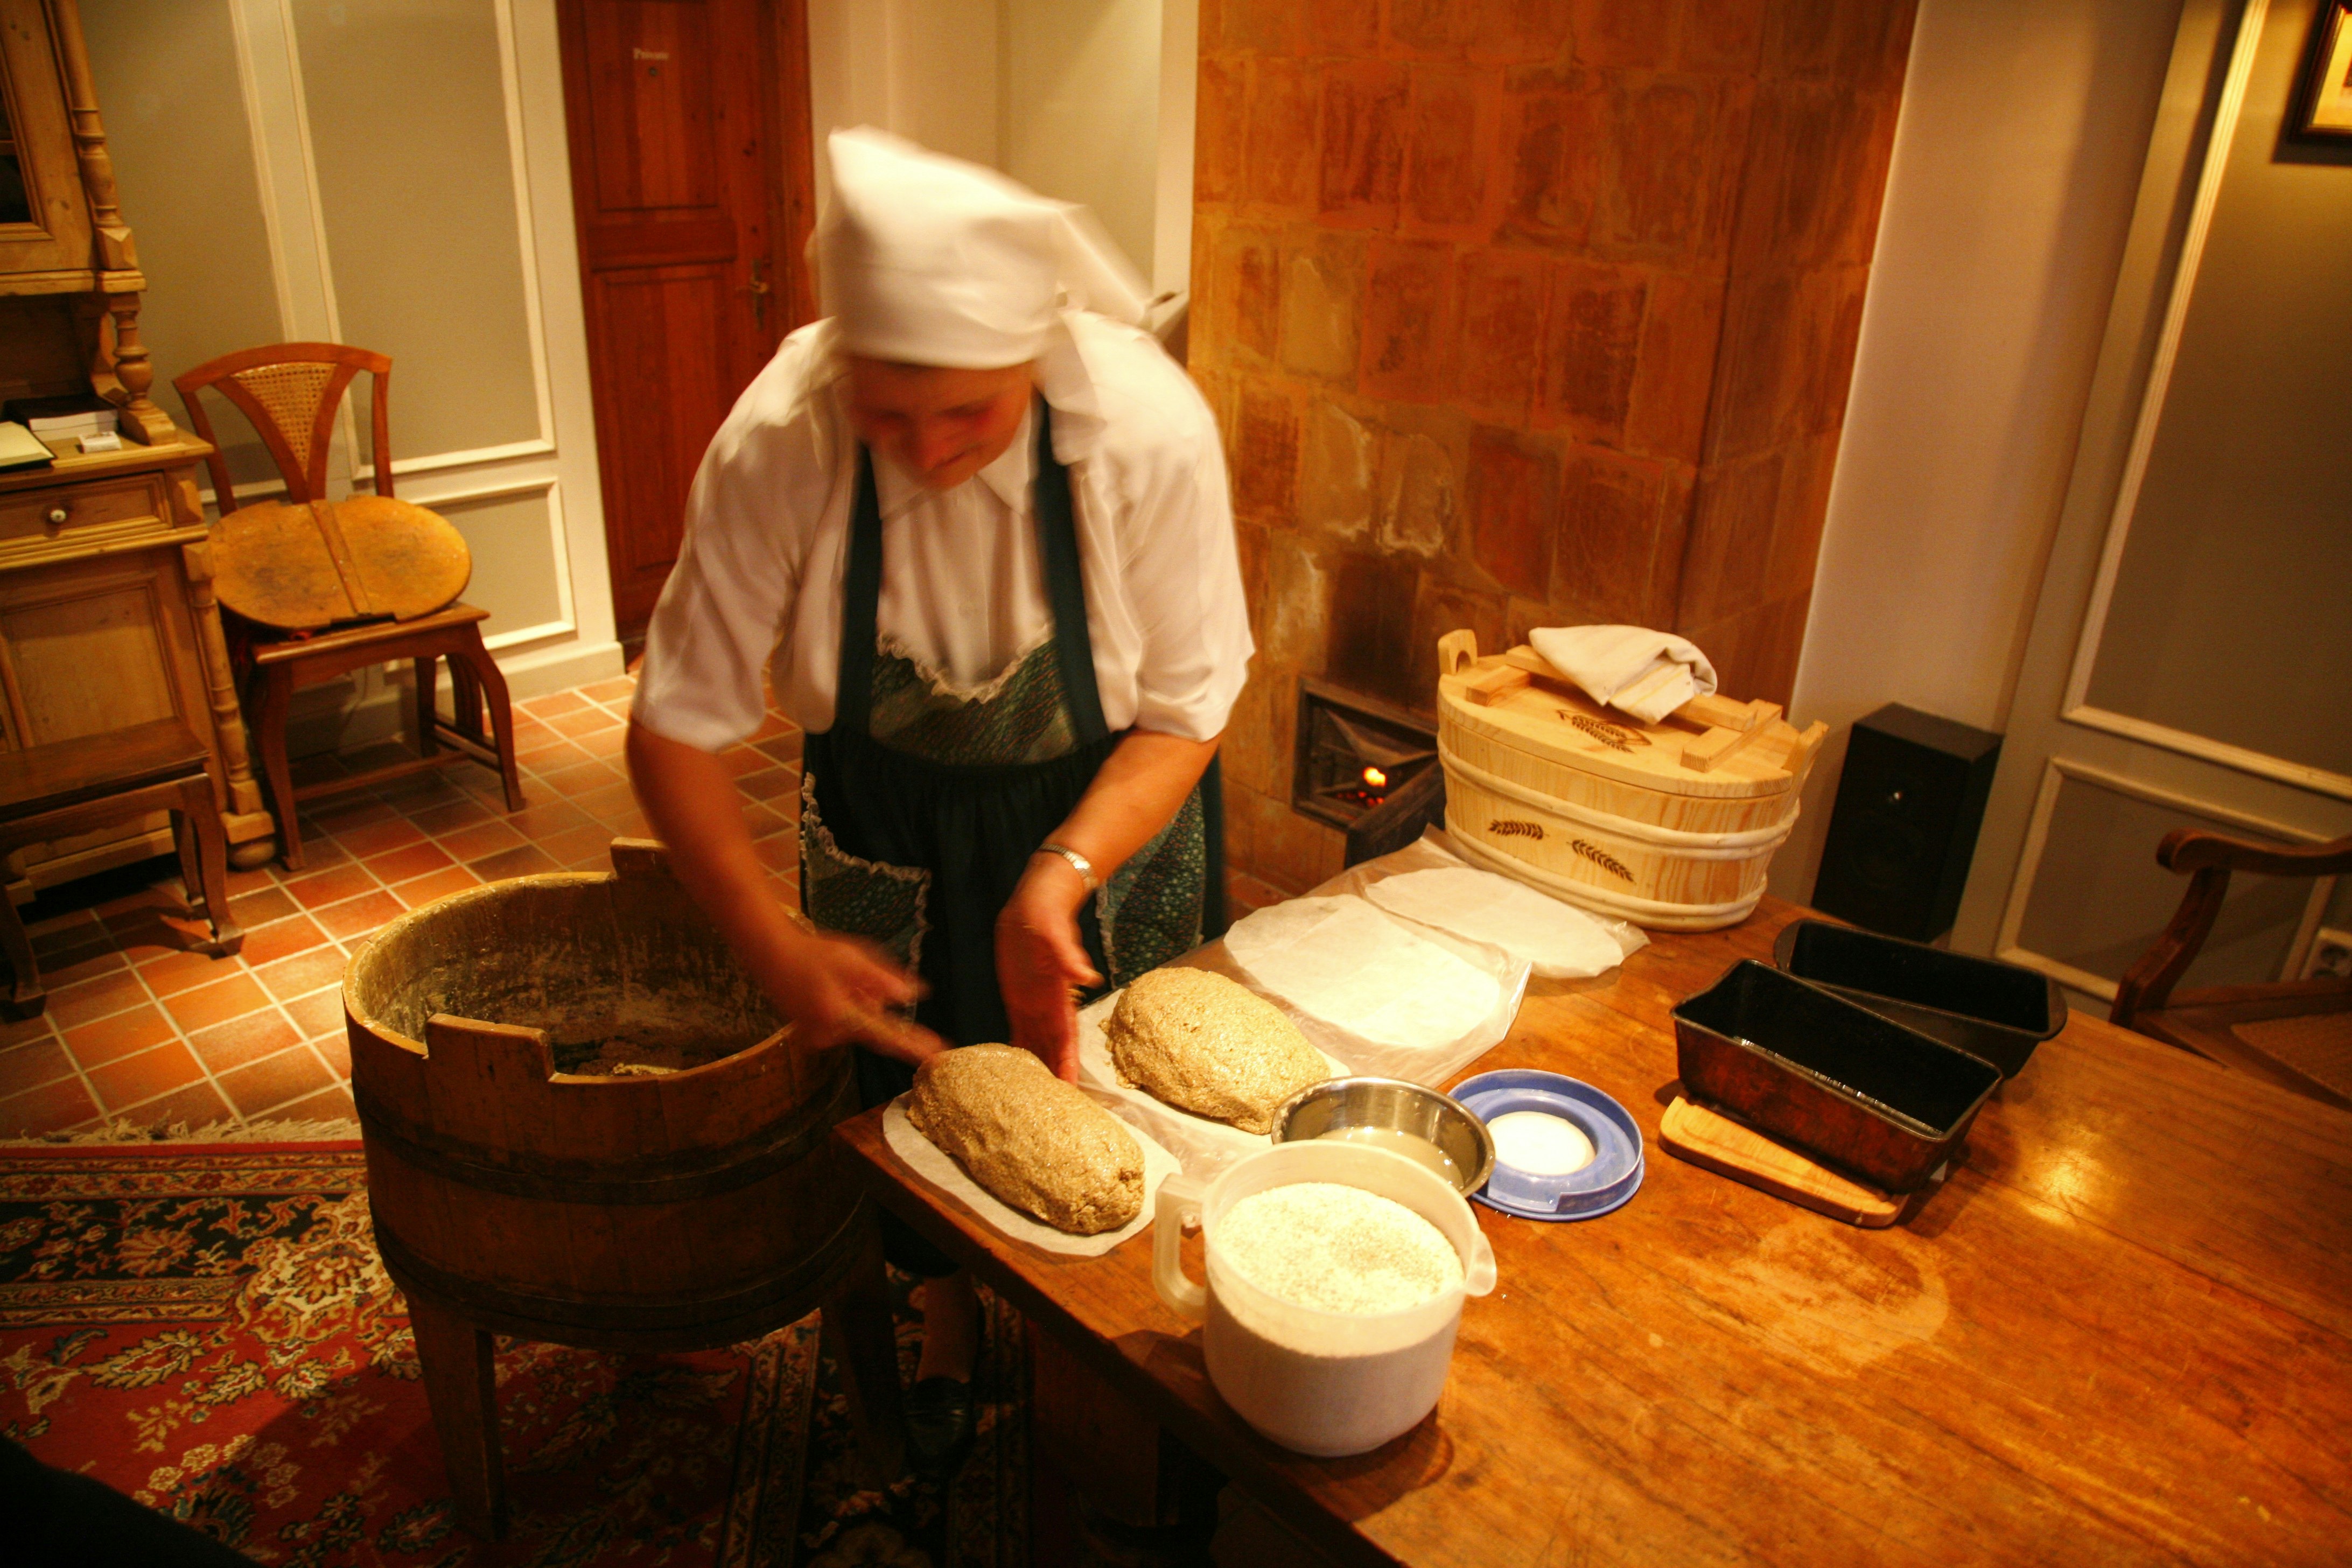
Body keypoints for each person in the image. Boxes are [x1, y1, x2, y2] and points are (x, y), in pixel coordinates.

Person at [626, 129, 1252, 1465]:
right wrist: (769, 939)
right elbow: (675, 725)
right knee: (915, 1093)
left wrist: (1061, 871)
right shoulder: (778, 443)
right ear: (841, 369)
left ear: (1034, 350)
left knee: (1127, 1087)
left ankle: (1143, 1334)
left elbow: (1190, 705)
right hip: (890, 823)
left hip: (1110, 812)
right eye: (887, 414)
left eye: (968, 410)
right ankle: (949, 1310)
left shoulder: (1144, 431)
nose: (926, 449)